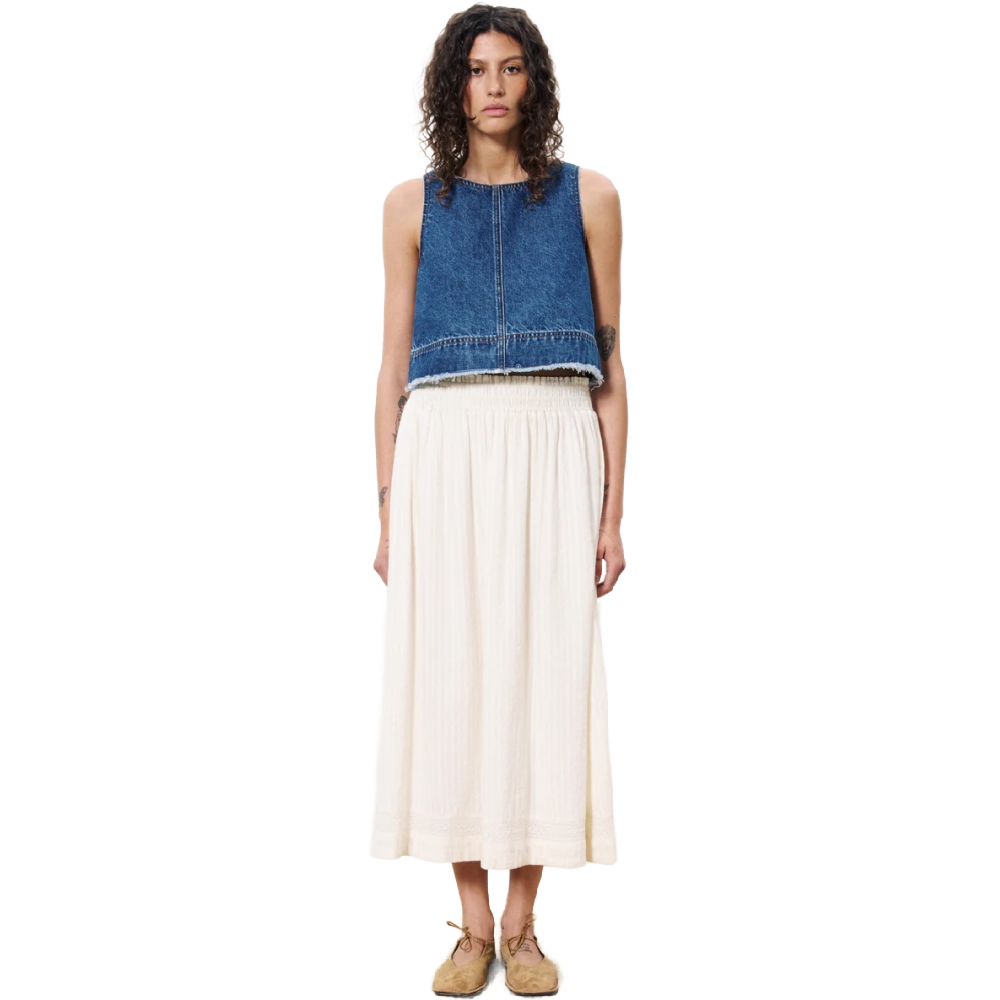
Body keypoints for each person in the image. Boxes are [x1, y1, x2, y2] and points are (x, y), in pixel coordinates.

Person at [370, 6, 627, 996]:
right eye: (476, 69)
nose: (493, 86)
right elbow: (392, 367)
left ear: (534, 83)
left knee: (542, 675)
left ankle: (524, 926)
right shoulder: (409, 206)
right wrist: (387, 505)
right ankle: (472, 926)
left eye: (511, 69)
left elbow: (611, 369)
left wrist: (613, 513)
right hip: (444, 448)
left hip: (553, 443)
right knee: (453, 678)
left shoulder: (591, 198)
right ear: (454, 85)